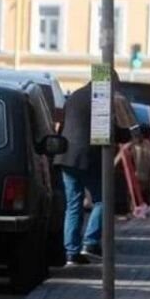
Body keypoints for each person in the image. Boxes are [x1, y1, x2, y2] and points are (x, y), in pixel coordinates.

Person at [58, 79, 130, 267]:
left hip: (66, 156)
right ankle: (90, 243)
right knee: (104, 199)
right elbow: (107, 131)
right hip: (86, 157)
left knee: (73, 204)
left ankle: (71, 253)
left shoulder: (75, 95)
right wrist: (130, 133)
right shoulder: (99, 98)